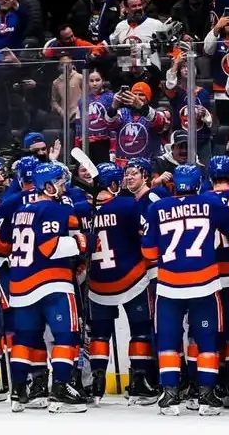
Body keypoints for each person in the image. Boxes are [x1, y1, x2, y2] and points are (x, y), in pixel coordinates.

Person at [140, 164, 229, 416]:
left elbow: (148, 252)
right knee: (207, 341)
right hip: (204, 284)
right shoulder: (210, 203)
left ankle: (169, 396)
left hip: (169, 286)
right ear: (198, 184)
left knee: (168, 341)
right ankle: (207, 396)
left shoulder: (157, 208)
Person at [1, 162, 88, 413]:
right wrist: (82, 241)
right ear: (47, 186)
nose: (64, 187)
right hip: (52, 283)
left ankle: (18, 391)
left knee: (25, 338)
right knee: (66, 336)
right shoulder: (53, 209)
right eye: (59, 183)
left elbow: (3, 246)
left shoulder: (21, 210)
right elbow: (51, 248)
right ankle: (60, 390)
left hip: (21, 285)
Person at [85, 162, 159, 406]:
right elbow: (145, 237)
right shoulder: (128, 205)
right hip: (131, 279)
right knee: (140, 330)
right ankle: (139, 382)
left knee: (99, 334)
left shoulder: (82, 209)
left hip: (98, 284)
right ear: (114, 184)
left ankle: (96, 383)